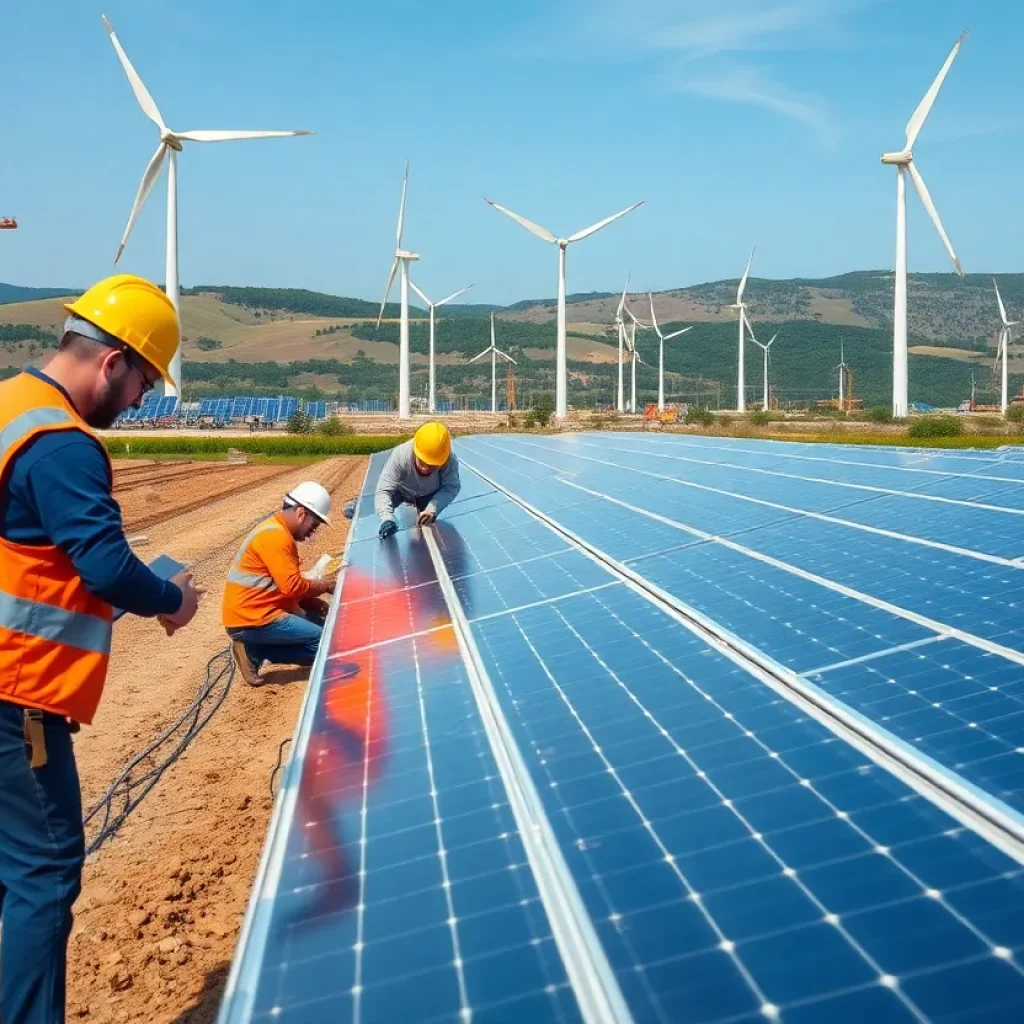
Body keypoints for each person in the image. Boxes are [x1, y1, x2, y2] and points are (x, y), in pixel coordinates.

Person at [0, 274, 200, 1024]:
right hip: (17, 696)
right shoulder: (61, 443)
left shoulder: (9, 406)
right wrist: (171, 601)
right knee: (46, 874)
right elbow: (106, 563)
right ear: (112, 361)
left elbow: (32, 551)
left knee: (11, 866)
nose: (142, 400)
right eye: (144, 380)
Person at [222, 481, 337, 685]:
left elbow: (284, 586)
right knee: (327, 642)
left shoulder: (275, 530)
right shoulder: (276, 537)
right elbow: (291, 587)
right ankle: (255, 649)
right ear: (301, 513)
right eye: (314, 524)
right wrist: (324, 586)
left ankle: (258, 648)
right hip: (252, 618)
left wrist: (310, 602)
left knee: (322, 626)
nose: (313, 531)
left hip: (261, 611)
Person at [375, 421, 460, 540]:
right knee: (379, 510)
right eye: (422, 461)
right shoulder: (401, 455)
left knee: (422, 534)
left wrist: (433, 508)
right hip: (401, 491)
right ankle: (357, 507)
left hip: (429, 494)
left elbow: (451, 487)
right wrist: (386, 518)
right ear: (415, 451)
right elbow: (385, 489)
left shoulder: (448, 460)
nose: (426, 468)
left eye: (432, 465)